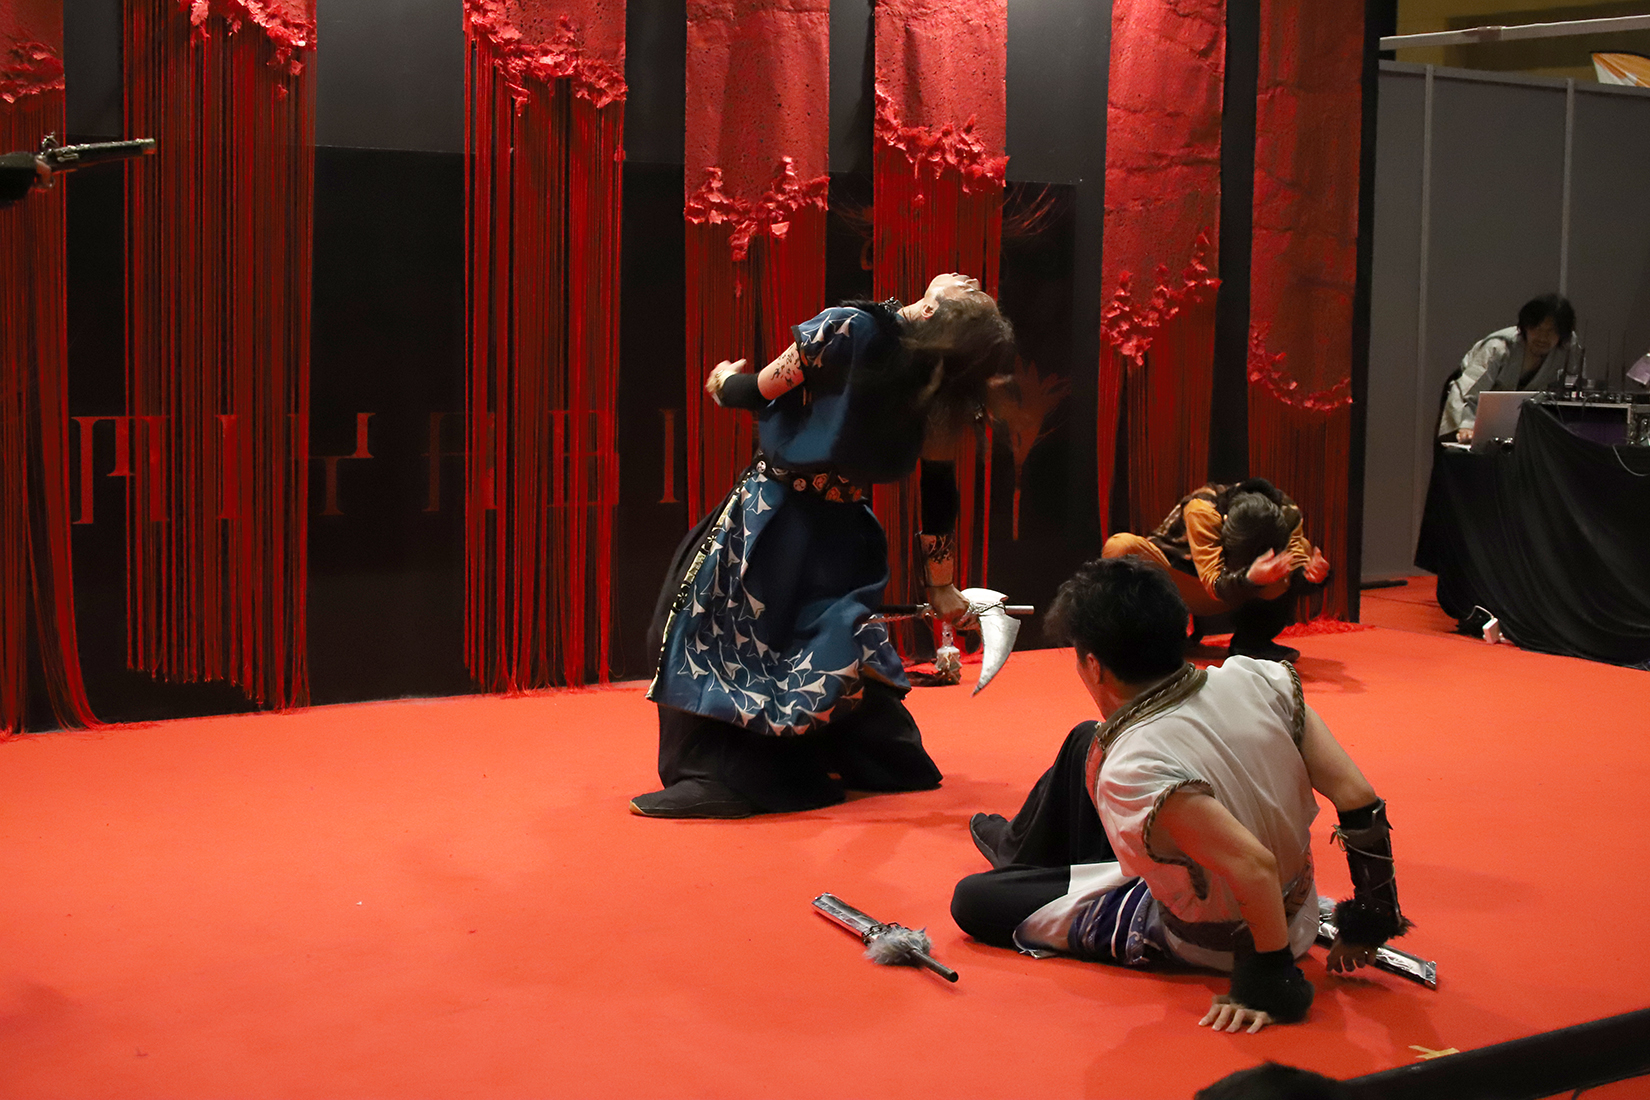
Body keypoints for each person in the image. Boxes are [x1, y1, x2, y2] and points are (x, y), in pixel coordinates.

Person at [952, 557, 1412, 1033]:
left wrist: (1268, 979)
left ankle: (1020, 860)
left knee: (974, 899)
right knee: (1085, 738)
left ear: (1093, 665)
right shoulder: (1260, 680)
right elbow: (1358, 797)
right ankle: (1019, 849)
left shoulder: (1134, 764)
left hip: (1231, 939)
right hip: (1289, 904)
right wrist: (1372, 918)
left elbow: (1253, 866)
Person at [631, 274, 1016, 819]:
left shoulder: (846, 328)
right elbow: (938, 492)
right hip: (844, 534)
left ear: (932, 313)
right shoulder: (937, 386)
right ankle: (859, 756)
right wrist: (941, 584)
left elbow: (754, 391)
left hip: (774, 519)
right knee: (823, 643)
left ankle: (723, 775)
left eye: (970, 292)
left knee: (703, 633)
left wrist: (722, 381)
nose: (970, 279)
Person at [1101, 479, 1329, 663]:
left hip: (1243, 591)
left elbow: (1295, 567)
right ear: (1226, 523)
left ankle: (1252, 643)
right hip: (1185, 586)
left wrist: (1311, 577)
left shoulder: (1288, 513)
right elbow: (1213, 582)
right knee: (1121, 546)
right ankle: (1138, 642)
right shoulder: (1203, 510)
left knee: (1302, 549)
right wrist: (1250, 578)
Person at [1439, 293, 1583, 443]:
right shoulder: (1498, 347)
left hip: (1523, 412)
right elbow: (1469, 389)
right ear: (1525, 327)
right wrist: (1466, 427)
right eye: (1537, 328)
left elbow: (1574, 385)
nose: (1542, 337)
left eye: (1551, 331)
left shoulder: (1568, 347)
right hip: (1469, 399)